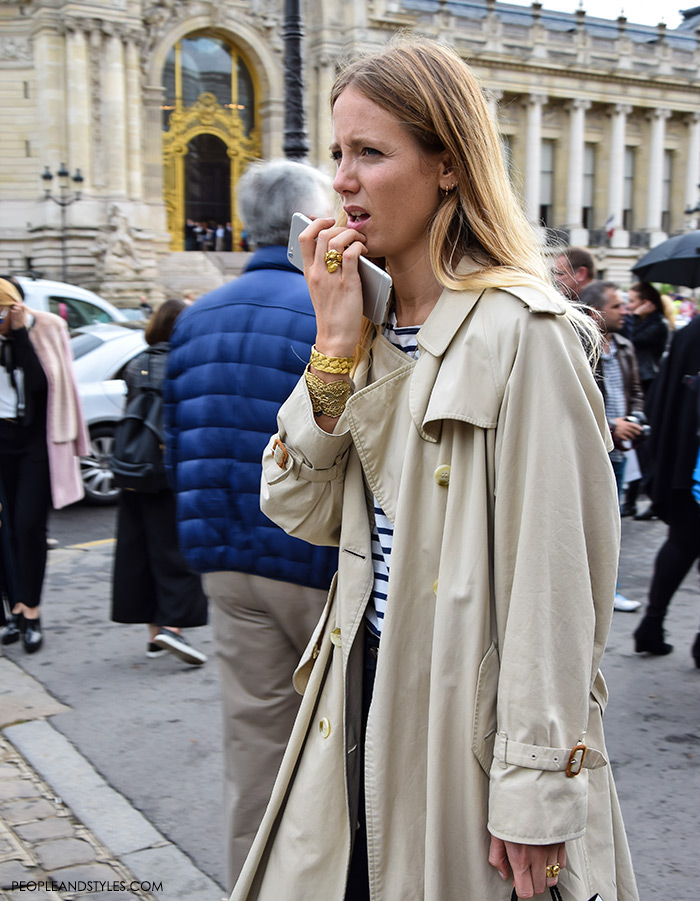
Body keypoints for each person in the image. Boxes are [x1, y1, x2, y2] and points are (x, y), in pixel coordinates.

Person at [234, 38, 638, 901]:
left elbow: (558, 583)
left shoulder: (526, 332)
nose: (341, 178)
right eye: (338, 152)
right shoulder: (365, 325)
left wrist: (535, 787)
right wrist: (333, 349)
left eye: (370, 153)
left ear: (447, 164)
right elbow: (292, 503)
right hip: (359, 694)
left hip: (465, 721)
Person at [163, 159, 338, 891]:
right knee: (343, 751)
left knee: (255, 751)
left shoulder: (199, 314)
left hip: (227, 559)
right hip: (316, 561)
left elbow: (179, 437)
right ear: (307, 223)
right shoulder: (328, 310)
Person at [111, 299, 207, 665]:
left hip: (132, 467)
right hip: (169, 469)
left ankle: (153, 631)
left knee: (137, 551)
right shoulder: (184, 362)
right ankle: (174, 629)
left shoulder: (137, 362)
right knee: (173, 549)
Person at [0, 276, 88, 653]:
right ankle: (12, 610)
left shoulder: (48, 327)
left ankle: (31, 612)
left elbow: (42, 384)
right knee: (4, 531)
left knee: (28, 527)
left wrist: (19, 335)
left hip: (37, 442)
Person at [633, 315, 700, 666]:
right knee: (683, 542)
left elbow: (665, 398)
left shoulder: (688, 335)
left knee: (682, 541)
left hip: (685, 463)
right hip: (692, 464)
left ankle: (652, 624)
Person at [579, 280, 644, 613]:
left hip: (620, 450)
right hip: (594, 449)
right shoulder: (579, 345)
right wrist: (610, 426)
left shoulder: (624, 346)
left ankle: (607, 590)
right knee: (590, 525)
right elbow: (575, 402)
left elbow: (635, 391)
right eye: (617, 306)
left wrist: (635, 417)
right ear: (596, 311)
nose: (625, 310)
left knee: (611, 525)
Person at [621, 281, 669, 518]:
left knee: (642, 442)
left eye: (632, 301)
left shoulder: (658, 324)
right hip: (636, 386)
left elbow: (631, 341)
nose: (628, 307)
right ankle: (631, 500)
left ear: (647, 303)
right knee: (635, 444)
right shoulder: (642, 322)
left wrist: (633, 318)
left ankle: (650, 498)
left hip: (648, 388)